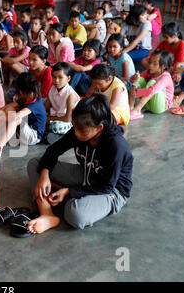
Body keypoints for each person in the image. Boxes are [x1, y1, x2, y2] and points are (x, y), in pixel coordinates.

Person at [26, 93, 133, 234]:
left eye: (81, 130)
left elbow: (107, 186)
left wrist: (70, 191)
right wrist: (45, 174)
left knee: (75, 214)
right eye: (74, 127)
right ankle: (46, 213)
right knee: (36, 164)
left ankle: (65, 192)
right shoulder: (81, 128)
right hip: (87, 174)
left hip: (112, 191)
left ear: (99, 128)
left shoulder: (116, 146)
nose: (76, 133)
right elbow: (54, 150)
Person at [0, 73, 46, 149]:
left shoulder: (35, 104)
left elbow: (17, 116)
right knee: (9, 109)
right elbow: (8, 106)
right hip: (23, 131)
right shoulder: (26, 98)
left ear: (20, 91)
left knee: (16, 119)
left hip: (33, 137)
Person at [129, 50, 174, 120]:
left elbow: (153, 90)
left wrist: (136, 93)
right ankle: (130, 107)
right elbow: (132, 80)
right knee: (139, 79)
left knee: (152, 83)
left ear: (164, 66)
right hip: (148, 105)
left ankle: (137, 110)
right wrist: (134, 78)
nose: (150, 65)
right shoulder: (149, 71)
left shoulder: (166, 76)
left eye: (155, 64)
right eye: (150, 62)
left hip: (160, 107)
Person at [44, 62, 80, 143]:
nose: (56, 80)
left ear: (68, 79)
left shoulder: (70, 94)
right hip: (56, 117)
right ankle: (53, 136)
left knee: (55, 126)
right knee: (37, 118)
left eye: (60, 77)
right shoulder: (52, 89)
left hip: (71, 122)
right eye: (54, 77)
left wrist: (48, 119)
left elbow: (68, 119)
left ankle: (55, 136)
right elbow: (44, 108)